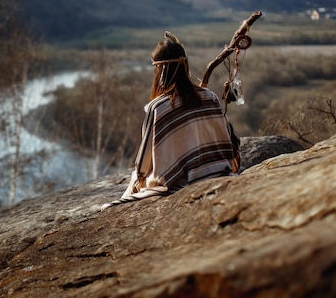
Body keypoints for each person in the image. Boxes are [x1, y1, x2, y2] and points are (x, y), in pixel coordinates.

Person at [101, 32, 240, 209]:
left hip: (178, 181)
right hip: (217, 169)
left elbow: (143, 163)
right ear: (185, 66)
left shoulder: (158, 107)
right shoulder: (210, 97)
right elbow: (227, 140)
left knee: (122, 195)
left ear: (160, 71)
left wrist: (136, 183)